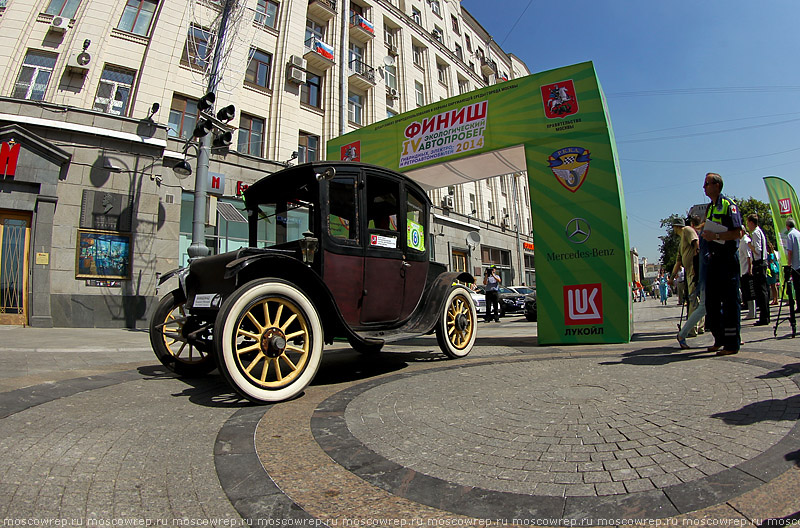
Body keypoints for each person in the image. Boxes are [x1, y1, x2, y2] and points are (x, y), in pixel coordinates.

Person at [700, 172, 743, 356]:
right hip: (713, 260)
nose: (704, 187)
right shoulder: (710, 207)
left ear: (716, 185)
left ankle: (732, 344)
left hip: (727, 259)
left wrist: (716, 236)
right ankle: (719, 339)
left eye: (706, 184)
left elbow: (738, 233)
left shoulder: (728, 205)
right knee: (711, 302)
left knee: (730, 301)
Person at [677, 232, 710, 349]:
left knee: (705, 307)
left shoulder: (700, 234)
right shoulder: (703, 235)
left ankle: (729, 334)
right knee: (704, 307)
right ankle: (683, 333)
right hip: (707, 276)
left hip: (706, 276)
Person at [746, 214, 771, 325]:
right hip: (763, 262)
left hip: (759, 263)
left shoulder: (755, 233)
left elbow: (757, 250)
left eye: (748, 223)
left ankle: (764, 317)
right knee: (763, 290)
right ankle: (765, 316)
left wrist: (750, 245)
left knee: (761, 291)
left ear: (751, 222)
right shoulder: (759, 231)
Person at [738, 230, 756, 320]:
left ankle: (752, 312)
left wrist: (750, 269)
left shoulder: (745, 241)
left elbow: (749, 256)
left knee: (750, 292)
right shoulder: (741, 241)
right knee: (746, 292)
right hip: (743, 271)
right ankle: (751, 311)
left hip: (746, 271)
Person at [786, 218, 800, 314]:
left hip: (795, 265)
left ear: (787, 226)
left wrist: (789, 264)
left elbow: (790, 251)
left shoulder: (790, 235)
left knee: (797, 287)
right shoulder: (798, 233)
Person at [767, 240, 780, 305]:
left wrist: (769, 264)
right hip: (770, 271)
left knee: (773, 285)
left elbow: (771, 262)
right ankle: (775, 299)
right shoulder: (770, 254)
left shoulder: (771, 255)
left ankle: (776, 299)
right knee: (772, 285)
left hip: (772, 271)